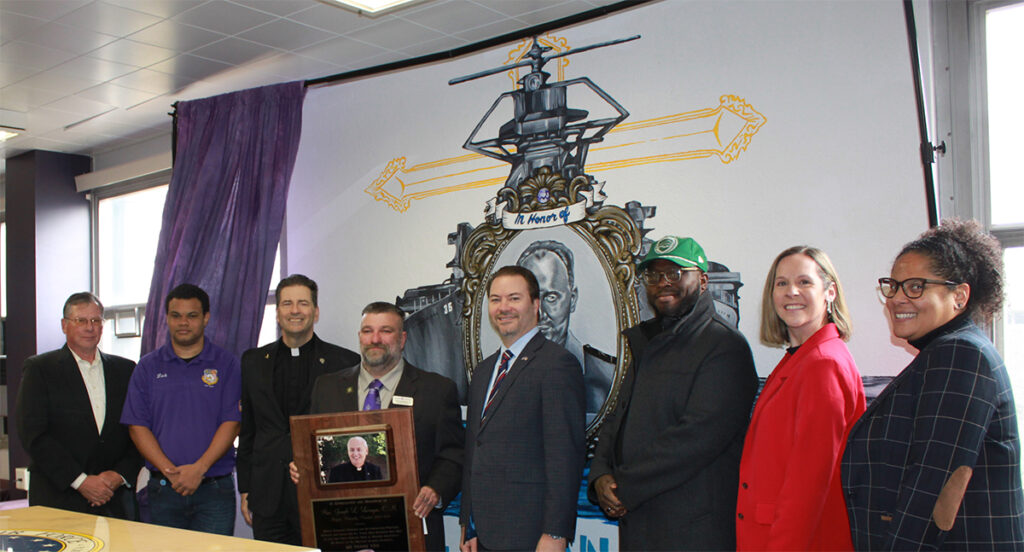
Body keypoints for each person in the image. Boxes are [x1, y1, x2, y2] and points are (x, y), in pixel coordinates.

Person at [842, 219, 1024, 549]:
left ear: (959, 296)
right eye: (893, 286)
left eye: (915, 287)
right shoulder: (947, 352)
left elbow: (932, 485)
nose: (897, 298)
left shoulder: (961, 354)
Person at [588, 235, 758, 551]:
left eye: (676, 273)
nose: (664, 283)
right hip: (640, 524)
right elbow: (616, 418)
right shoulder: (647, 343)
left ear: (703, 281)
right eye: (654, 275)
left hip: (692, 531)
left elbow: (696, 438)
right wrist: (600, 476)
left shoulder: (725, 347)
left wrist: (622, 486)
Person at [293, 301, 464, 552]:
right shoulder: (326, 387)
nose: (375, 339)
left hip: (411, 529)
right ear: (359, 337)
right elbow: (315, 448)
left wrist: (436, 489)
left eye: (386, 330)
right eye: (367, 331)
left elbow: (453, 454)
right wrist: (302, 465)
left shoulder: (437, 390)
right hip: (341, 531)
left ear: (402, 338)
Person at [736, 246, 865, 550]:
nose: (791, 291)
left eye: (804, 282)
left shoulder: (823, 364)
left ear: (829, 292)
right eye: (781, 283)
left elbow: (808, 486)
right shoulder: (801, 359)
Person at [460, 266, 585, 552]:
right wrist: (469, 523)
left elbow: (565, 457)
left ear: (536, 305)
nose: (503, 308)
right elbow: (475, 450)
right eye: (495, 299)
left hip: (531, 535)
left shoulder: (557, 365)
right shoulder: (484, 371)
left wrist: (555, 532)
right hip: (484, 534)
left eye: (514, 298)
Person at [237, 274, 359, 544]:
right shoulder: (253, 361)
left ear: (315, 312)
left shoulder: (345, 362)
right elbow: (249, 430)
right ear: (277, 312)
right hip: (267, 495)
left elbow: (348, 432)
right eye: (287, 303)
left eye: (303, 303)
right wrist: (245, 488)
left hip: (321, 495)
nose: (295, 310)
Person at [121, 284, 241, 535]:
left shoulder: (227, 364)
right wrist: (170, 471)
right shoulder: (147, 367)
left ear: (206, 318)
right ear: (166, 318)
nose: (183, 322)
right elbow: (137, 427)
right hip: (164, 488)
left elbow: (231, 423)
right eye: (176, 315)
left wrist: (199, 469)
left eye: (192, 315)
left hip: (214, 491)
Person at [16, 292, 142, 518]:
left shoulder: (126, 370)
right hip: (59, 496)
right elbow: (33, 434)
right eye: (81, 320)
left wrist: (117, 476)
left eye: (95, 321)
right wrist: (81, 482)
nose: (89, 327)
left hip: (114, 497)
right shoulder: (40, 369)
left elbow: (137, 429)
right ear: (65, 325)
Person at [516, 240, 615, 418]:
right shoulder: (500, 373)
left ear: (573, 299)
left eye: (551, 297)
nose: (539, 313)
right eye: (529, 299)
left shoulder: (607, 377)